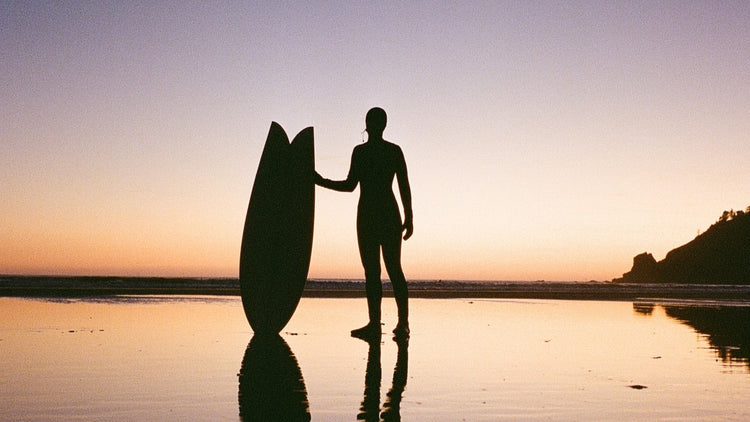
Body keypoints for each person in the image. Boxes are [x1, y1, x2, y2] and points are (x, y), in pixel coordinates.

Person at [315, 107, 413, 339]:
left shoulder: (366, 152)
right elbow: (404, 187)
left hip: (371, 215)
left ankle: (389, 324)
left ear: (369, 124)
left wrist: (321, 181)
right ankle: (392, 324)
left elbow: (350, 185)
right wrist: (409, 216)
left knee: (380, 271)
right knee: (388, 269)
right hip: (386, 214)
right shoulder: (390, 151)